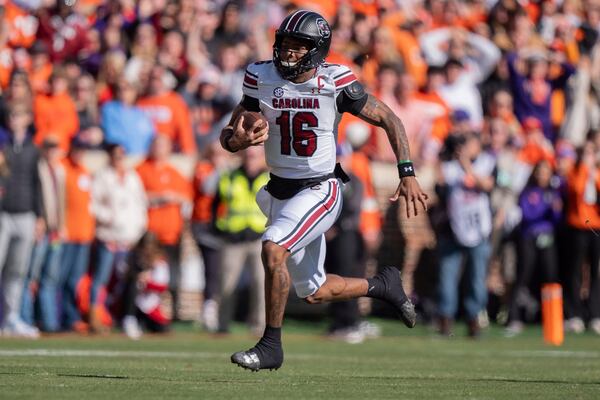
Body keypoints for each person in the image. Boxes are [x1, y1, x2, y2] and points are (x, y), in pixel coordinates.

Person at [221, 11, 428, 371]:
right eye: (284, 45)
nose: (288, 54)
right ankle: (382, 285)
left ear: (316, 50)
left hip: (321, 189)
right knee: (314, 291)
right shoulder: (260, 76)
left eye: (298, 47)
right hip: (279, 192)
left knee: (273, 249)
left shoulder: (336, 81)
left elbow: (389, 118)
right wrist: (236, 140)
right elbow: (230, 134)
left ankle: (271, 346)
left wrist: (406, 172)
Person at [89, 144, 148, 332]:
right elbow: (93, 205)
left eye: (123, 155)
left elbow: (140, 203)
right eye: (116, 156)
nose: (120, 159)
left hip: (130, 239)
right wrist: (109, 218)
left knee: (128, 281)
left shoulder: (132, 177)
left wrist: (140, 227)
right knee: (102, 279)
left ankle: (124, 317)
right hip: (110, 237)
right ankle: (95, 316)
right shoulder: (102, 176)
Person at [214, 145, 269, 335]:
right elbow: (216, 204)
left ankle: (260, 325)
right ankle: (222, 325)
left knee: (261, 283)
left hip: (260, 237)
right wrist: (219, 229)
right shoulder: (229, 176)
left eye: (254, 156)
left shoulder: (269, 177)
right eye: (248, 155)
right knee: (226, 285)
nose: (250, 159)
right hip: (233, 238)